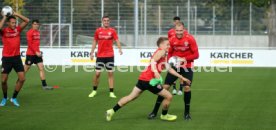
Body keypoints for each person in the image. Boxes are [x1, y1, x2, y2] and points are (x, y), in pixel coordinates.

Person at [105, 37, 191, 121]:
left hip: (143, 79)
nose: (169, 46)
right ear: (161, 45)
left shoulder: (164, 54)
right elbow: (153, 61)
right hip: (150, 81)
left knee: (131, 97)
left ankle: (111, 111)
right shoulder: (161, 51)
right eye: (167, 45)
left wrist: (181, 77)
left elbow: (169, 69)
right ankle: (164, 115)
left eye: (169, 45)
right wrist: (156, 72)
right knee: (168, 96)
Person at [148, 23, 199, 120]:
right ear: (174, 30)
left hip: (187, 66)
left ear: (184, 30)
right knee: (165, 88)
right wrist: (172, 61)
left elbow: (196, 55)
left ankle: (187, 113)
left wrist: (184, 59)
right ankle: (154, 111)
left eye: (181, 31)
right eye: (177, 31)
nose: (179, 33)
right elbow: (169, 53)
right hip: (175, 66)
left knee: (187, 87)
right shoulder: (171, 39)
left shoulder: (190, 39)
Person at [88, 16, 123, 98]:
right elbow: (94, 41)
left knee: (110, 73)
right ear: (102, 21)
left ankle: (111, 92)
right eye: (105, 20)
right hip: (100, 56)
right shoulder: (98, 31)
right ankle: (94, 90)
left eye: (107, 21)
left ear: (109, 22)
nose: (106, 22)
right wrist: (92, 52)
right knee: (97, 74)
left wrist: (120, 49)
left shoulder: (112, 31)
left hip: (110, 55)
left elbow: (117, 40)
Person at [0, 12, 30, 107]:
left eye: (15, 22)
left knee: (22, 79)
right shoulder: (4, 31)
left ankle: (14, 97)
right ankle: (5, 97)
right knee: (3, 81)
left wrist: (16, 14)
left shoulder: (18, 30)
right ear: (8, 23)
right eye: (12, 22)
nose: (14, 24)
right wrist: (4, 16)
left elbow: (27, 20)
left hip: (16, 58)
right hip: (6, 59)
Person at [24, 19, 53, 90]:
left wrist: (38, 52)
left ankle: (44, 85)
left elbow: (36, 44)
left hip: (37, 54)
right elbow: (30, 44)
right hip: (30, 54)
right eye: (34, 24)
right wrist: (35, 51)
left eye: (37, 24)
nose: (36, 25)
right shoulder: (29, 32)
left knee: (41, 68)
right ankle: (18, 82)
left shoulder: (38, 32)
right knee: (25, 70)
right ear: (32, 25)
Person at [167, 17, 188, 96]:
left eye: (178, 22)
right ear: (174, 23)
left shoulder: (185, 33)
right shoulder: (170, 32)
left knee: (181, 74)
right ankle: (174, 88)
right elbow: (169, 43)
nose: (177, 23)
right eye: (175, 22)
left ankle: (180, 89)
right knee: (173, 73)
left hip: (182, 57)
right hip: (174, 57)